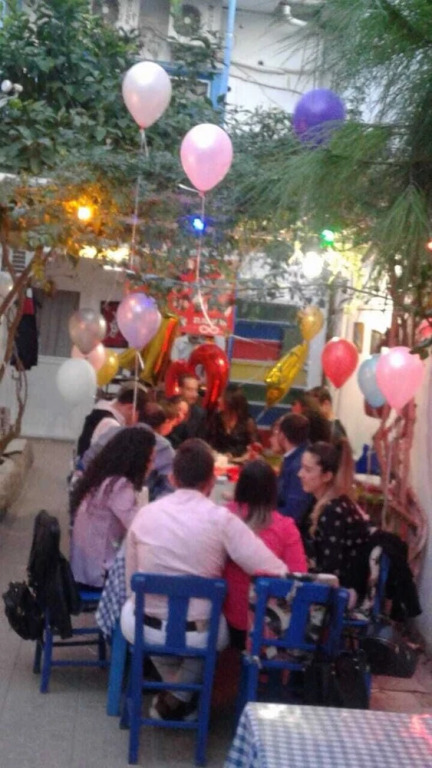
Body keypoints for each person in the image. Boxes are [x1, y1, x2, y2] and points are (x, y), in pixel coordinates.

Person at [121, 438, 287, 722]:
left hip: (146, 628)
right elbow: (270, 567)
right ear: (211, 481)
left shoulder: (145, 515)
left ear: (172, 478)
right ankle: (180, 696)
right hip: (200, 634)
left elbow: (131, 582)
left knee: (131, 611)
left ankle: (175, 696)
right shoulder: (222, 520)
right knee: (217, 629)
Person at [224, 460, 308, 649]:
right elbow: (298, 575)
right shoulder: (286, 528)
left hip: (226, 619)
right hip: (268, 627)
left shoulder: (225, 517)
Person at [70, 427, 156, 588]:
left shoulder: (101, 479)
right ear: (138, 460)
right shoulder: (119, 487)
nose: (152, 466)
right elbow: (140, 529)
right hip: (98, 574)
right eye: (150, 460)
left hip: (83, 566)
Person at [298, 439, 371, 602]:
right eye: (302, 467)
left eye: (307, 470)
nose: (300, 474)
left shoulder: (332, 511)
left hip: (343, 594)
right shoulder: (330, 502)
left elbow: (330, 572)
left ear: (327, 476)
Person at [76, 383, 149, 460]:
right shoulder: (111, 425)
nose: (136, 423)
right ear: (131, 408)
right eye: (139, 416)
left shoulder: (98, 408)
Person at [277, 413, 314, 523]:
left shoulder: (299, 465)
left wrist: (264, 513)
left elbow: (293, 513)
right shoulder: (299, 454)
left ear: (282, 435)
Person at [205, 383, 258, 459]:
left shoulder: (247, 422)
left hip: (241, 462)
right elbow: (207, 444)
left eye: (222, 398)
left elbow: (255, 449)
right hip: (218, 461)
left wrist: (240, 458)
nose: (218, 400)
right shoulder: (215, 419)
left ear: (230, 403)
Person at [168, 374, 206, 447]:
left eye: (196, 390)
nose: (194, 395)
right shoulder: (168, 407)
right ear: (180, 390)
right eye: (190, 390)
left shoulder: (200, 414)